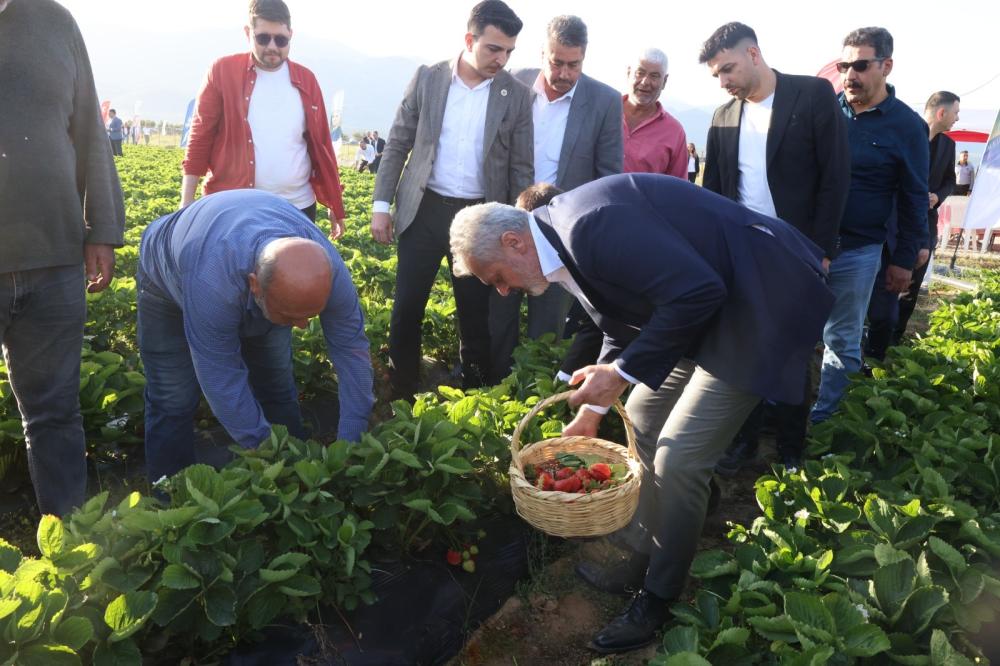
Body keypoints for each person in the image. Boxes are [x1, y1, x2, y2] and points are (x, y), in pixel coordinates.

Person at [449, 173, 833, 654]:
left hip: (757, 305)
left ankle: (659, 594)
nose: (502, 291)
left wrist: (622, 371)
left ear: (513, 242)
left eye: (496, 278)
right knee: (640, 425)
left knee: (680, 459)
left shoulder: (588, 226)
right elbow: (622, 320)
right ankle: (649, 540)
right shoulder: (556, 244)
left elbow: (697, 291)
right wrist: (596, 404)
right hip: (705, 308)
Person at [137, 189, 374, 483]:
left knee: (275, 383)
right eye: (291, 315)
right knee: (173, 397)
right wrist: (268, 456)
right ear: (255, 286)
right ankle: (169, 495)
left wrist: (350, 441)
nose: (301, 326)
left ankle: (300, 473)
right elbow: (221, 378)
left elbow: (352, 350)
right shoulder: (212, 284)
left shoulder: (328, 273)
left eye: (310, 314)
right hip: (166, 277)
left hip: (245, 266)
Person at [698, 21, 850, 473]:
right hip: (743, 252)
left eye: (727, 69)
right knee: (741, 348)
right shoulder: (723, 117)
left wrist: (820, 249)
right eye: (716, 76)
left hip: (798, 249)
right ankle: (742, 442)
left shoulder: (812, 96)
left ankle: (789, 447)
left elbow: (835, 177)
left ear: (753, 54)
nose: (723, 81)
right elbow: (716, 193)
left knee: (792, 350)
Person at [371, 0, 533, 400]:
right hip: (425, 208)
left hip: (479, 216)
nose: (502, 58)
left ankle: (473, 390)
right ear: (469, 39)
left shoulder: (516, 95)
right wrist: (380, 205)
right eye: (494, 48)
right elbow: (397, 143)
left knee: (475, 312)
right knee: (408, 305)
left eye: (509, 51)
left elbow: (521, 167)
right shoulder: (428, 79)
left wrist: (519, 226)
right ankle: (402, 386)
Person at [1, 0, 125, 516]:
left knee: (54, 413)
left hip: (54, 254)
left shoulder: (54, 21)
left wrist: (103, 227)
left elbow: (88, 129)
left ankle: (71, 545)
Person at [488, 14, 623, 381]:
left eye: (573, 65)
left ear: (584, 58)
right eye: (556, 63)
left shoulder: (605, 101)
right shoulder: (511, 83)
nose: (564, 73)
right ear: (543, 52)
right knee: (499, 313)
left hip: (560, 231)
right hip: (507, 220)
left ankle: (538, 391)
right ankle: (495, 384)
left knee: (548, 321)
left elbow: (608, 176)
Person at [810, 27, 928, 423]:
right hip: (807, 246)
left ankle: (825, 425)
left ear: (886, 66)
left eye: (860, 65)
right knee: (791, 330)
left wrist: (905, 259)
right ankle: (780, 413)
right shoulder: (825, 112)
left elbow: (914, 196)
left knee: (841, 340)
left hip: (860, 249)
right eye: (844, 65)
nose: (849, 74)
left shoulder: (907, 126)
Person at [181, 0, 346, 238]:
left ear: (291, 34)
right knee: (231, 274)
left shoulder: (307, 79)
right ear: (248, 33)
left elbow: (321, 145)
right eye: (263, 38)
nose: (272, 46)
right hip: (233, 208)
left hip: (297, 208)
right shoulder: (222, 71)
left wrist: (334, 201)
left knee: (292, 275)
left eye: (281, 40)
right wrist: (186, 204)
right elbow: (199, 138)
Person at [866, 91, 958, 358]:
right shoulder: (903, 132)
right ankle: (873, 336)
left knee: (913, 281)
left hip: (925, 220)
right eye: (955, 113)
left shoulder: (948, 146)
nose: (957, 118)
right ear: (941, 113)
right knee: (881, 285)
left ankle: (894, 337)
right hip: (890, 221)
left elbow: (949, 181)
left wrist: (937, 196)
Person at [622, 48, 688, 178]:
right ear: (629, 73)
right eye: (640, 73)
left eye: (654, 76)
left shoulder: (674, 132)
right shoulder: (603, 112)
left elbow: (678, 189)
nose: (645, 82)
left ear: (664, 81)